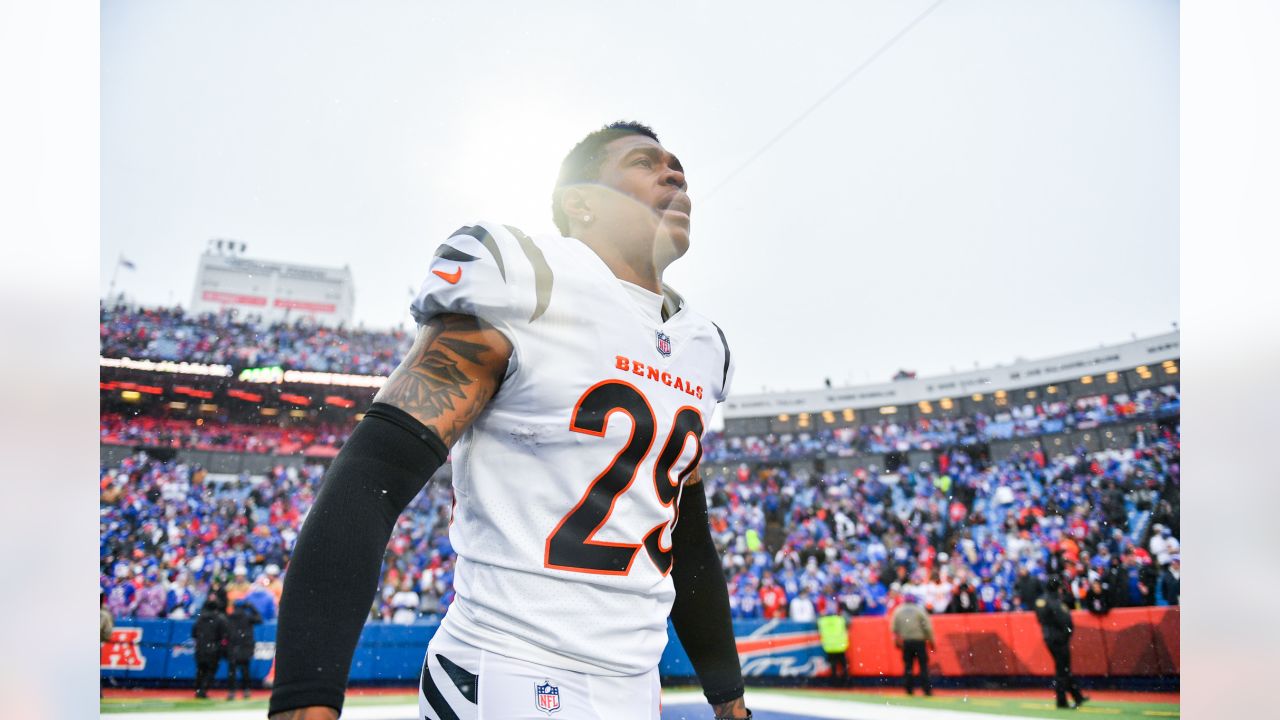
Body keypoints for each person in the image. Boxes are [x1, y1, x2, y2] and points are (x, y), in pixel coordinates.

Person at [269, 122, 750, 720]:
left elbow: (689, 540)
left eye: (677, 163)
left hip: (636, 685)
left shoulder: (703, 345)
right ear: (581, 202)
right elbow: (373, 476)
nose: (673, 172)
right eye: (644, 161)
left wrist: (728, 697)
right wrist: (306, 700)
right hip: (506, 672)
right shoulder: (528, 276)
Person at [1034, 577, 1088, 709]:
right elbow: (1066, 622)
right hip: (1058, 639)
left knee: (1062, 669)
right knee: (1063, 669)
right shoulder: (1055, 602)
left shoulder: (1041, 601)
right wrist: (1066, 635)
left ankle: (1076, 696)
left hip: (1049, 637)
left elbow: (1041, 618)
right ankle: (1062, 700)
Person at [890, 593, 934, 696]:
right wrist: (931, 641)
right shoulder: (919, 610)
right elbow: (927, 627)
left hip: (907, 642)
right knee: (923, 666)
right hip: (919, 641)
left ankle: (909, 689)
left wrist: (897, 641)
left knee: (908, 666)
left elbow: (894, 629)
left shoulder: (898, 611)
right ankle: (926, 689)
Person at [225, 599, 262, 700]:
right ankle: (246, 690)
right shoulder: (247, 617)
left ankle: (231, 692)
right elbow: (260, 619)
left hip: (233, 646)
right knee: (245, 670)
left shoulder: (229, 617)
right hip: (245, 646)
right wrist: (251, 607)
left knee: (232, 670)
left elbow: (225, 632)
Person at [192, 599, 228, 700]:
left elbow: (194, 633)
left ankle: (198, 689)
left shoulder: (200, 618)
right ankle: (203, 690)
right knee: (210, 671)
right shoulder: (220, 619)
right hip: (213, 649)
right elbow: (224, 634)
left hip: (200, 648)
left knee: (200, 670)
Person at [816, 608, 849, 687]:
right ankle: (846, 681)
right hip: (840, 646)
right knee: (844, 665)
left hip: (829, 647)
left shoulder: (822, 621)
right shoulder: (840, 620)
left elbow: (816, 621)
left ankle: (834, 682)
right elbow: (848, 622)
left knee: (833, 666)